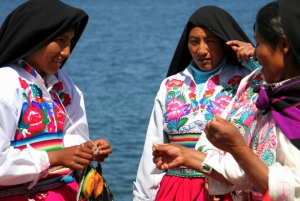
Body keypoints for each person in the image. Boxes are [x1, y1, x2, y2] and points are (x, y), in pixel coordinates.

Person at [152, 1, 300, 200]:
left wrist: (237, 148)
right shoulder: (256, 89)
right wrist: (187, 156)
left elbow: (291, 189)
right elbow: (243, 173)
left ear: (283, 45)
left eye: (259, 44)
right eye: (194, 41)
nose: (254, 53)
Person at [133, 5, 259, 201]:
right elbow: (154, 146)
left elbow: (279, 89)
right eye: (194, 42)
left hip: (225, 189)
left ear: (226, 43)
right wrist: (142, 197)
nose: (201, 50)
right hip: (174, 189)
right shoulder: (171, 85)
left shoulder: (246, 81)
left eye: (210, 41)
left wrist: (255, 60)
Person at [0, 0, 113, 200]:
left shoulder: (64, 84)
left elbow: (73, 137)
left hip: (65, 192)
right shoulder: (6, 83)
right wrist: (54, 157)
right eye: (60, 40)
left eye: (69, 41)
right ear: (35, 37)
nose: (67, 52)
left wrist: (87, 150)